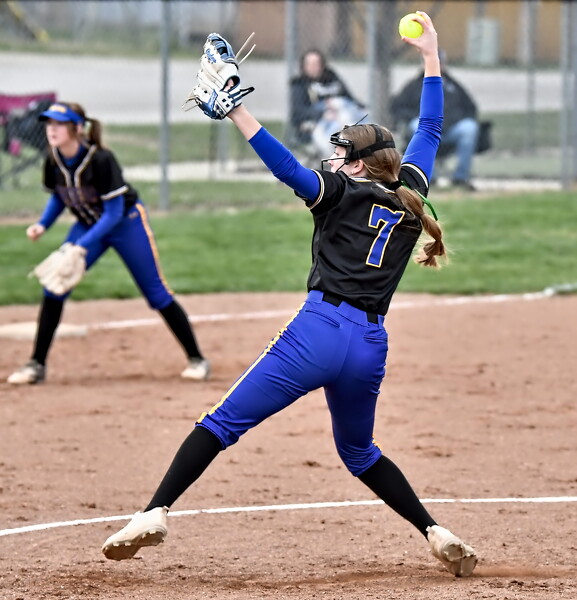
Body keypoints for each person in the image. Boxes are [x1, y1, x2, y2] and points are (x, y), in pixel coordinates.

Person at [102, 14, 478, 577]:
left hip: (317, 334)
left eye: (341, 153)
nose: (332, 158)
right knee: (359, 452)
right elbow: (431, 126)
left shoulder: (339, 191)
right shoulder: (411, 193)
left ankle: (153, 512)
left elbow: (284, 167)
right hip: (369, 345)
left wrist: (237, 110)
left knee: (219, 424)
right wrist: (431, 56)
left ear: (357, 164)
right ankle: (434, 530)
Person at [6, 102, 210, 385]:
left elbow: (113, 213)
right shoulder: (53, 159)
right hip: (88, 224)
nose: (52, 129)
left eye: (60, 124)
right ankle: (36, 365)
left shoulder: (101, 159)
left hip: (126, 224)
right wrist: (43, 224)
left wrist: (81, 245)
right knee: (55, 286)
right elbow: (60, 195)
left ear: (78, 128)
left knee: (156, 293)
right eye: (49, 123)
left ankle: (197, 359)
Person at [390, 50, 480, 191]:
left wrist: (455, 119)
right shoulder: (414, 86)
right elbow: (398, 107)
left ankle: (461, 178)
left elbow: (470, 107)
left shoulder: (453, 85)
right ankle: (430, 177)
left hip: (451, 129)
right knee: (415, 125)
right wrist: (413, 118)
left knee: (469, 128)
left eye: (439, 62)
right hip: (426, 131)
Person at [289, 48, 365, 161]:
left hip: (343, 115)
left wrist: (361, 108)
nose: (314, 67)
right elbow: (298, 112)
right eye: (310, 64)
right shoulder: (300, 84)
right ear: (303, 66)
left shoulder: (331, 78)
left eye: (317, 63)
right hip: (319, 122)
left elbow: (348, 98)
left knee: (356, 117)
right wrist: (322, 113)